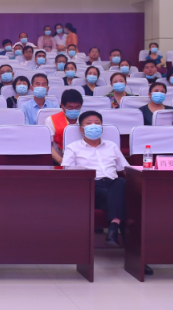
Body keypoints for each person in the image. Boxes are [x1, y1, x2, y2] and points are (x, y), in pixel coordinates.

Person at [61, 111, 139, 260]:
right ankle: (136, 257)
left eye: (97, 123)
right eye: (89, 123)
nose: (94, 126)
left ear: (102, 127)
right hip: (90, 187)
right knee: (124, 203)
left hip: (113, 185)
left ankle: (114, 228)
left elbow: (126, 170)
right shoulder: (73, 148)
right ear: (81, 129)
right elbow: (68, 174)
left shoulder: (112, 146)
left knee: (121, 183)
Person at [46, 89, 83, 164]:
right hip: (59, 160)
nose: (74, 110)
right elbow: (47, 144)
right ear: (62, 106)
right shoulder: (51, 120)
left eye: (77, 108)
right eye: (70, 108)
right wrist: (62, 161)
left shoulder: (85, 120)